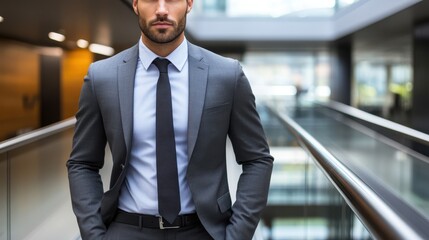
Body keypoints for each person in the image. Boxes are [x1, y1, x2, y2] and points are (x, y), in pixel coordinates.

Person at [66, 0, 273, 239]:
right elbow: (82, 163)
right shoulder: (102, 77)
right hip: (127, 229)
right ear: (135, 4)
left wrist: (237, 234)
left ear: (189, 3)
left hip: (203, 230)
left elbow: (257, 159)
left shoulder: (227, 75)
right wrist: (94, 235)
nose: (162, 9)